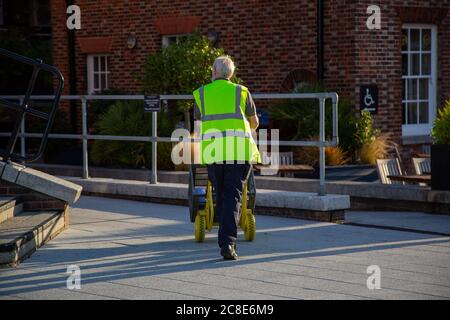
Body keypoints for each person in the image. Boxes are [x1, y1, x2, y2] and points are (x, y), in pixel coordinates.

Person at [193, 56, 261, 260]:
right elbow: (254, 122)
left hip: (214, 154)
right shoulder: (242, 91)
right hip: (239, 153)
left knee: (223, 195)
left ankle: (226, 237)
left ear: (214, 71)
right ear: (230, 73)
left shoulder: (201, 93)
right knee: (233, 197)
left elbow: (198, 126)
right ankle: (227, 244)